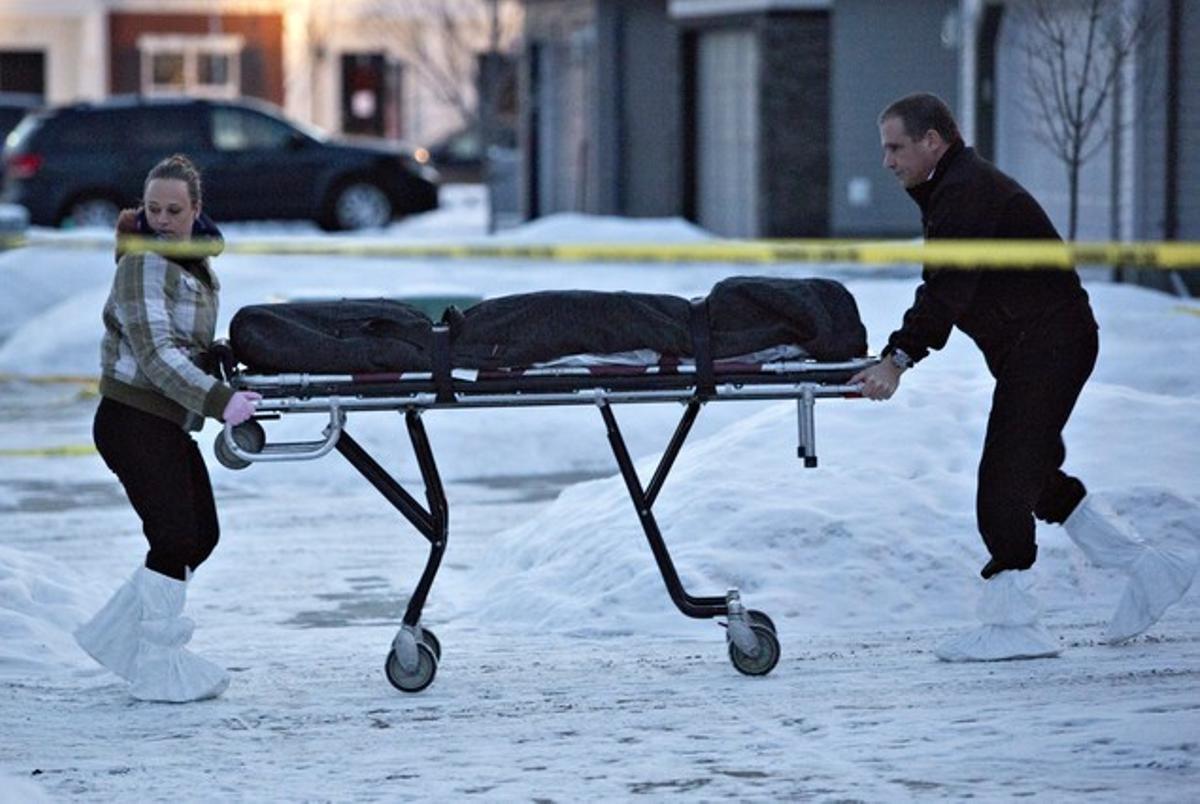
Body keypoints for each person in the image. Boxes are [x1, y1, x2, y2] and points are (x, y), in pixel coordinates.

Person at [851, 92, 1196, 661]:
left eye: (895, 147)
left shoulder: (965, 192)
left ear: (931, 140)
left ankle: (1014, 624)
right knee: (1032, 473)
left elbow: (946, 288)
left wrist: (898, 359)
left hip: (1050, 343)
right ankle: (1147, 568)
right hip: (1038, 345)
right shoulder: (949, 186)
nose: (887, 161)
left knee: (1004, 477)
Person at [74, 154, 261, 701]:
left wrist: (217, 358)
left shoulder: (190, 265)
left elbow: (182, 344)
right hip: (133, 418)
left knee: (202, 536)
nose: (161, 218)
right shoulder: (142, 262)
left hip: (162, 420)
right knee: (176, 537)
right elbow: (155, 353)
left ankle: (119, 639)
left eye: (173, 209)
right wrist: (219, 400)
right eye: (153, 207)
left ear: (196, 210)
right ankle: (157, 663)